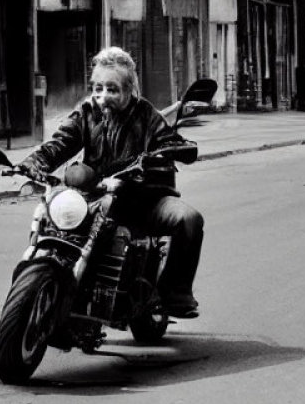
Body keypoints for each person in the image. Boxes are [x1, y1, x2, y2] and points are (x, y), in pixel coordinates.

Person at [18, 46, 204, 318]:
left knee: (189, 219)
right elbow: (60, 142)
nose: (103, 97)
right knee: (53, 219)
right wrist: (34, 164)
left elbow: (170, 141)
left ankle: (175, 292)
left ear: (129, 90)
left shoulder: (146, 115)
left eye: (112, 89)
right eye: (98, 88)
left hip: (143, 199)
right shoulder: (87, 112)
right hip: (96, 196)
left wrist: (174, 150)